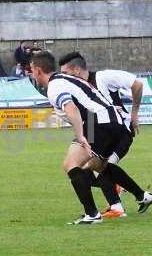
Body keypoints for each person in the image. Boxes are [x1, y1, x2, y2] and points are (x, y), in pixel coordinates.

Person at [30, 51, 152, 225]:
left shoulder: (55, 86)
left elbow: (71, 108)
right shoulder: (67, 80)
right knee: (98, 167)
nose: (31, 73)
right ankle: (140, 195)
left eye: (31, 69)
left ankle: (92, 214)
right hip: (114, 122)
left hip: (97, 122)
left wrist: (81, 136)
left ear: (38, 70)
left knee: (71, 165)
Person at [59, 51, 144, 218]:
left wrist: (134, 113)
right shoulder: (76, 90)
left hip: (121, 130)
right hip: (95, 130)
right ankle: (135, 193)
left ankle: (116, 207)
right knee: (82, 169)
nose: (63, 78)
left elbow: (138, 84)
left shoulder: (103, 78)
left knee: (102, 167)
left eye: (65, 73)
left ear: (76, 70)